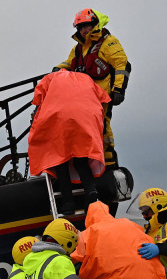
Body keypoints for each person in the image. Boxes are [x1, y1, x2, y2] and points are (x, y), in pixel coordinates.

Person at [56, 9, 130, 175]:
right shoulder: (78, 49)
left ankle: (109, 166)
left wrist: (118, 90)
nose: (83, 30)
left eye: (86, 25)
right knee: (82, 132)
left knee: (102, 130)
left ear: (94, 24)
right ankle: (86, 168)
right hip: (82, 100)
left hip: (102, 97)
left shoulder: (108, 42)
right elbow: (69, 64)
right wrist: (57, 70)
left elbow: (122, 65)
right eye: (80, 27)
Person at [30, 70, 109, 215]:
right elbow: (103, 97)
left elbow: (38, 98)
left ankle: (68, 202)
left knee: (60, 161)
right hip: (86, 117)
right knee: (81, 158)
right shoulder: (86, 78)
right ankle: (91, 192)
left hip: (59, 118)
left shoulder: (50, 78)